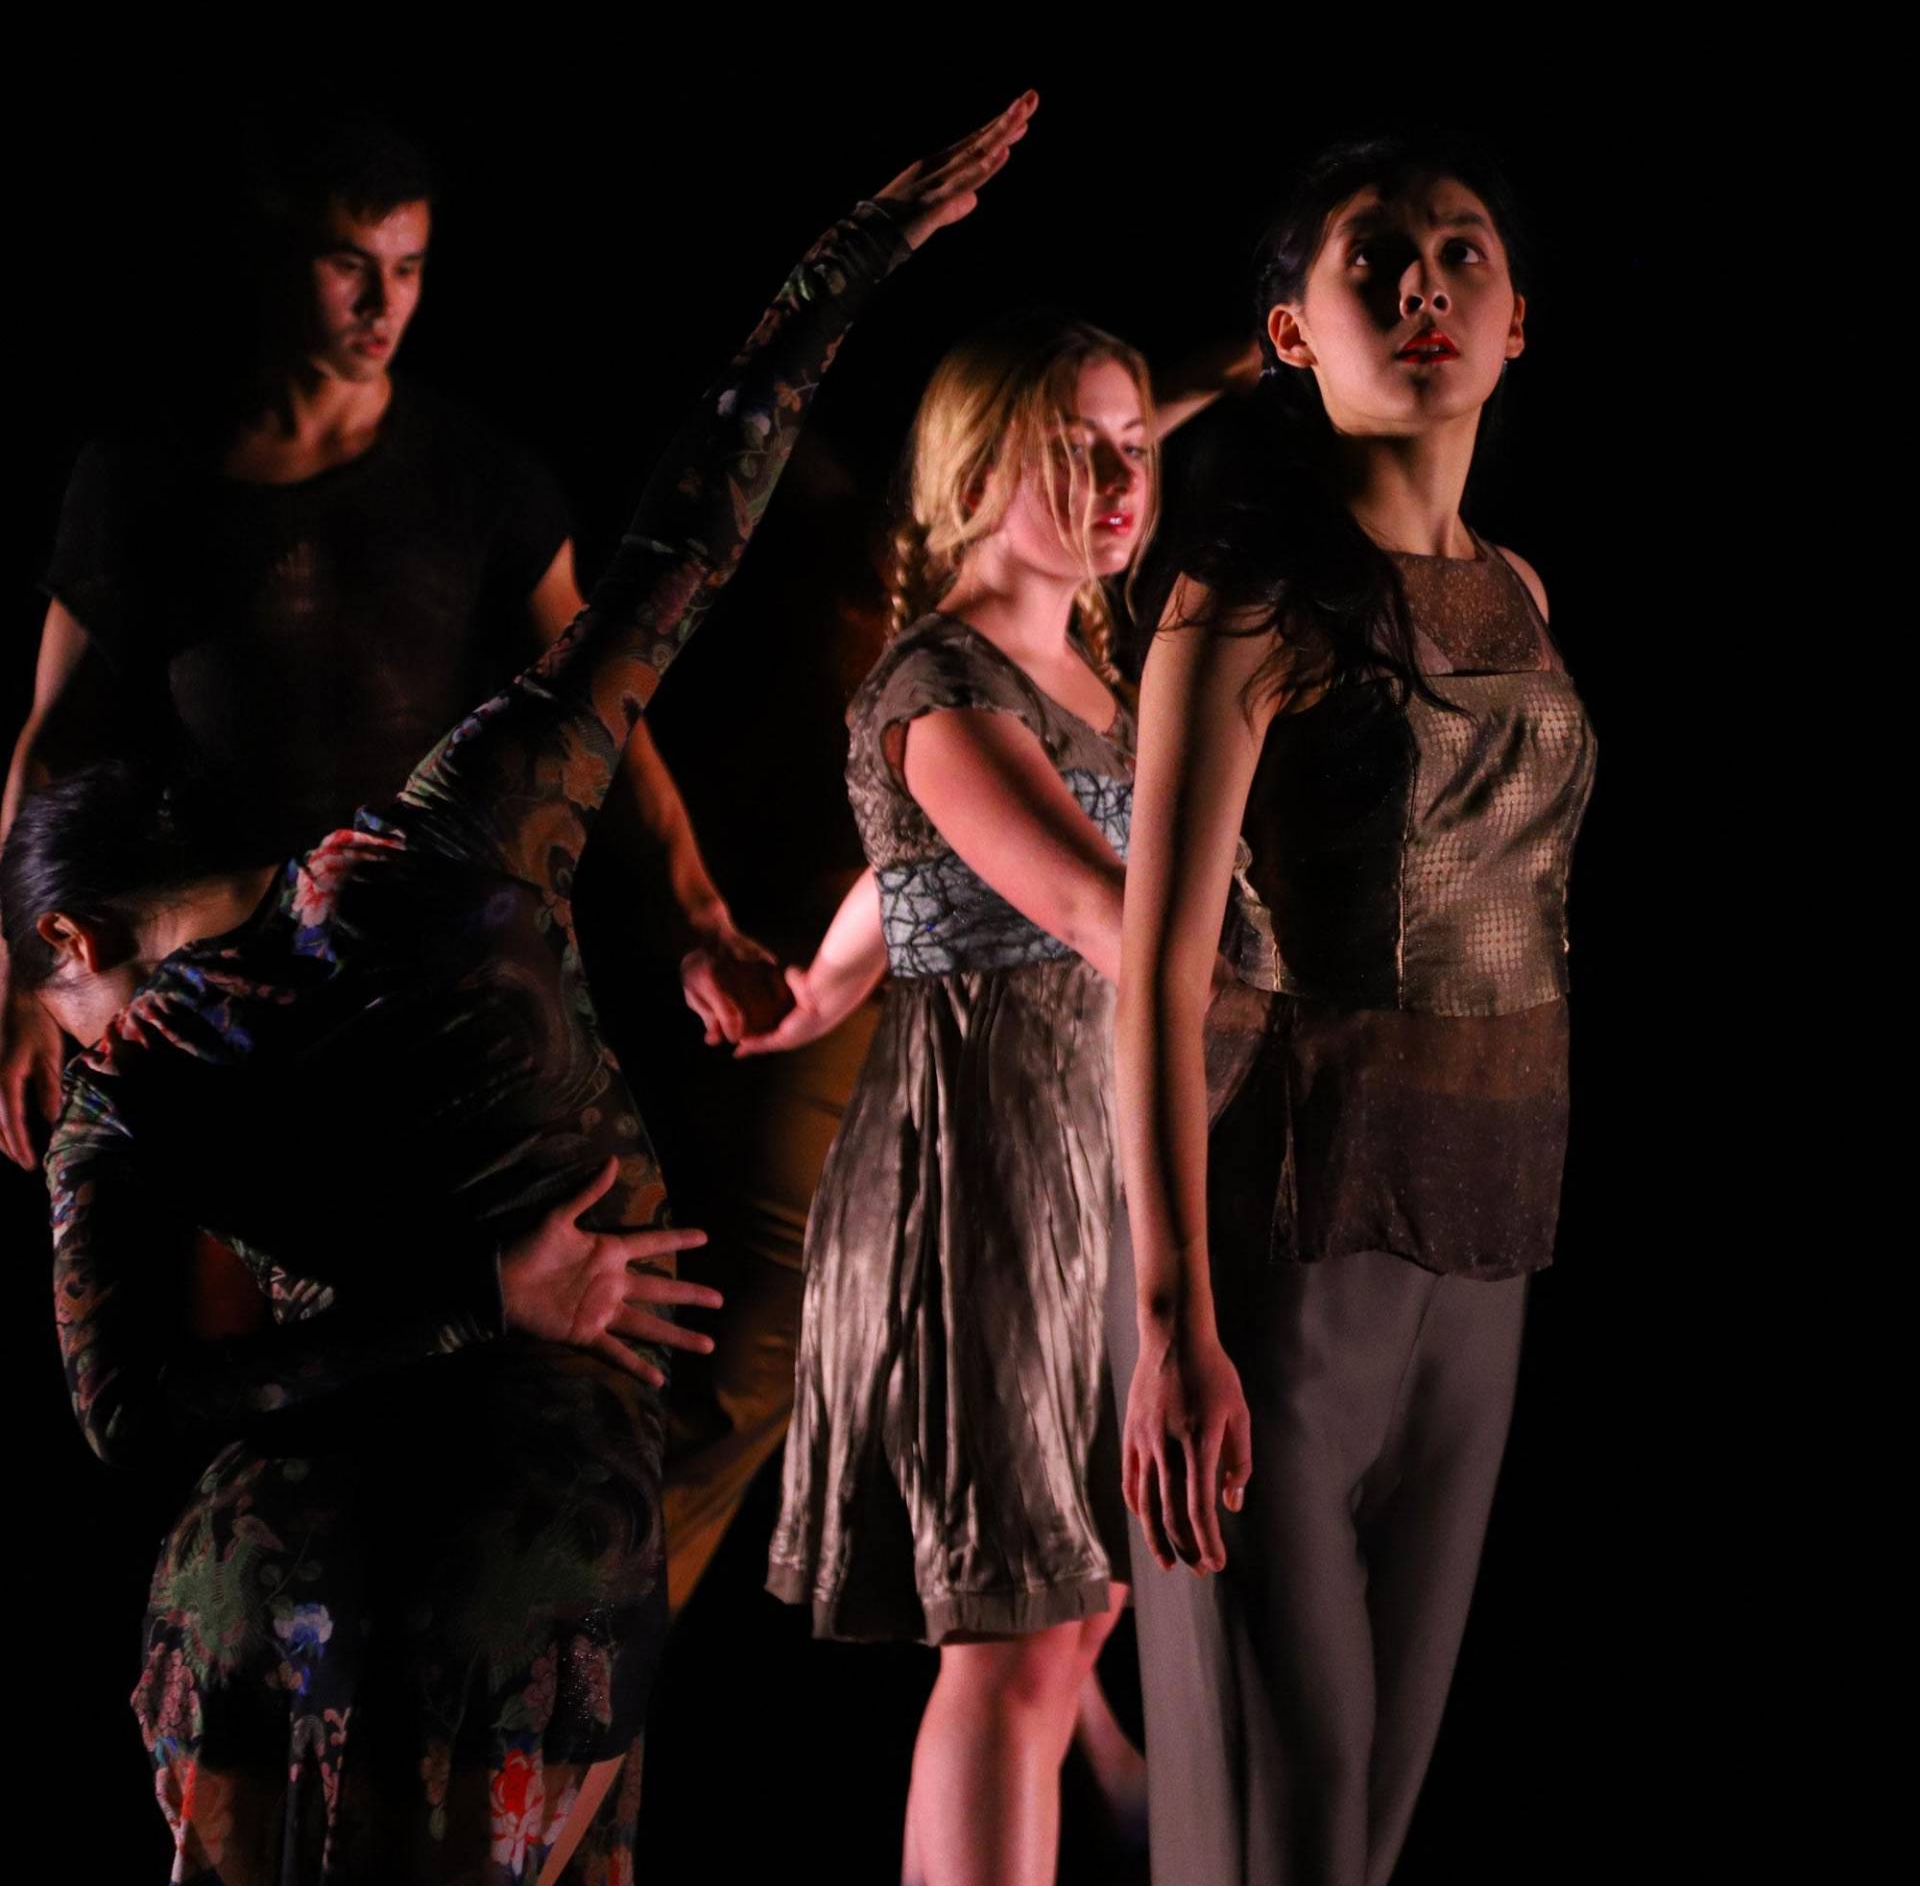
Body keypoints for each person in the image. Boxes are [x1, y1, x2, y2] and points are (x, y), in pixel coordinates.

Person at [4, 98, 1032, 1884]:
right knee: (273, 1581)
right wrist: (473, 1300)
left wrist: (849, 267)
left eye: (409, 269)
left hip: (545, 1354)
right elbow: (130, 1408)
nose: (380, 303)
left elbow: (669, 568)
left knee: (515, 1553)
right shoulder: (154, 1056)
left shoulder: (423, 851)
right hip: (425, 1324)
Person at [1111, 134, 1597, 1884]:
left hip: (1488, 1236)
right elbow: (1158, 974)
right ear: (1290, 335)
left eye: (1461, 255)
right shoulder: (1245, 605)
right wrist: (1172, 1321)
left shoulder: (1521, 593)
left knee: (1372, 1823)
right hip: (1296, 1242)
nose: (1422, 288)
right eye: (1374, 260)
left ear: (1519, 320)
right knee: (1300, 1815)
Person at [0, 112, 762, 1177]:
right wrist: (23, 987)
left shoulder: (480, 477)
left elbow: (597, 706)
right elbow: (52, 745)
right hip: (217, 980)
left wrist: (697, 913)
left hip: (423, 962)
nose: (383, 303)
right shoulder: (144, 477)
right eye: (349, 265)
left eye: (408, 269)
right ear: (276, 255)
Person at [756, 310, 1164, 1886]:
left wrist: (822, 980)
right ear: (980, 469)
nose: (1119, 480)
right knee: (1016, 1631)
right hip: (980, 1170)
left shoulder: (1089, 674)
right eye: (1078, 446)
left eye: (1136, 446)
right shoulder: (940, 679)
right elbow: (1090, 907)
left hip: (1084, 1175)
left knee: (1080, 1610)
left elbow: (915, 872)